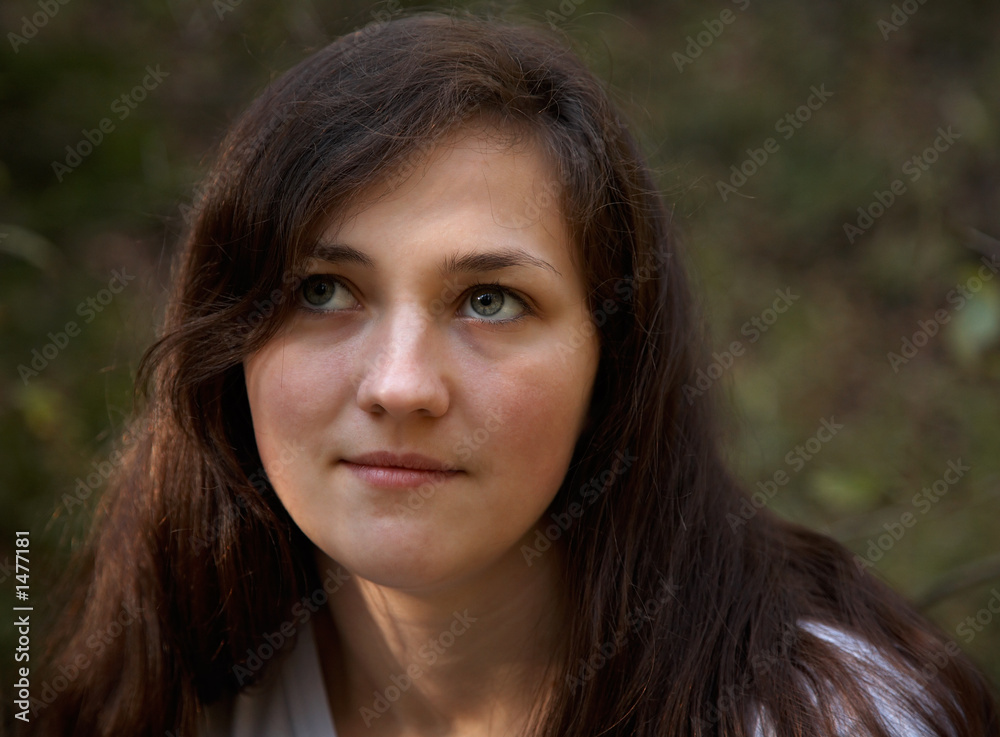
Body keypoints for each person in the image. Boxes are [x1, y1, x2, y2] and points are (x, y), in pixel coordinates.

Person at [28, 9, 998, 737]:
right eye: (323, 289)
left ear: (609, 362)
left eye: (489, 299)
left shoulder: (825, 718)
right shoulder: (174, 684)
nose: (400, 384)